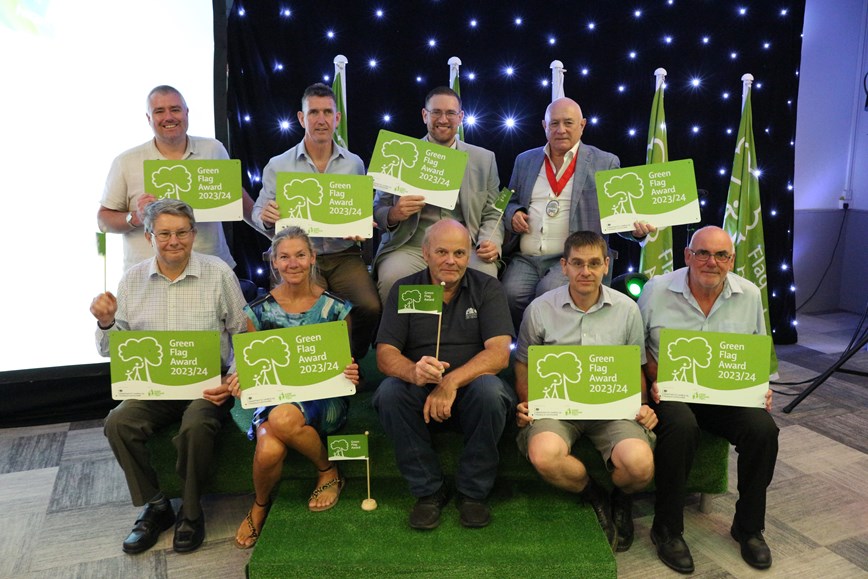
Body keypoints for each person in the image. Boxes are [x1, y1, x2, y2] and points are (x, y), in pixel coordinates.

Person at [89, 199, 248, 554]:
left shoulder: (219, 272)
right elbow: (110, 350)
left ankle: (191, 514)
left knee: (195, 425)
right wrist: (106, 323)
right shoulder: (131, 281)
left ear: (194, 234)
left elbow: (243, 333)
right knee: (118, 422)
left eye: (181, 232)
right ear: (149, 236)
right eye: (164, 233)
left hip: (208, 386)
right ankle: (157, 506)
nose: (173, 240)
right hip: (154, 388)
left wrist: (232, 377)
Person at [638, 225, 778, 573]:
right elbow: (635, 349)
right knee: (682, 427)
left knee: (763, 429)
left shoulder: (748, 294)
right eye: (703, 253)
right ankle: (667, 529)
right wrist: (654, 377)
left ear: (731, 260)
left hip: (726, 396)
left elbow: (754, 353)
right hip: (669, 390)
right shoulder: (656, 291)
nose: (711, 262)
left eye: (721, 255)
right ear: (688, 255)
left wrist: (760, 386)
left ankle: (748, 528)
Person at [514, 231, 657, 552]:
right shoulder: (539, 309)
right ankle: (594, 494)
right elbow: (523, 364)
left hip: (613, 411)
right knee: (544, 454)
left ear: (606, 265)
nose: (585, 271)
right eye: (577, 263)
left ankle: (622, 498)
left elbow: (634, 366)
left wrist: (644, 405)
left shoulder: (626, 309)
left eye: (594, 263)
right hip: (556, 409)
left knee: (640, 466)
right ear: (563, 266)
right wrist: (526, 403)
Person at [373, 219, 516, 529]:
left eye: (460, 253)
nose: (451, 261)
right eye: (441, 252)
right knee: (389, 392)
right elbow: (385, 355)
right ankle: (429, 491)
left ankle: (472, 493)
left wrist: (451, 381)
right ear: (425, 253)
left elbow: (500, 353)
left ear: (469, 256)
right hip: (418, 392)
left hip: (471, 392)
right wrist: (413, 371)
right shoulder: (405, 289)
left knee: (491, 391)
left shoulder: (488, 287)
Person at [226, 226, 360, 549]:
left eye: (300, 255)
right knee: (270, 445)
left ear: (312, 258)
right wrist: (242, 379)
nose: (293, 263)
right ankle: (261, 504)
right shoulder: (257, 312)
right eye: (284, 257)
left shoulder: (337, 309)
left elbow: (345, 363)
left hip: (324, 399)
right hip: (276, 397)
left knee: (284, 419)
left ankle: (327, 470)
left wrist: (352, 370)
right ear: (274, 262)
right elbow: (254, 368)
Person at [252, 83, 381, 363]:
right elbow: (259, 211)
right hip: (301, 257)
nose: (320, 120)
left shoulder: (355, 164)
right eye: (313, 113)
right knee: (317, 312)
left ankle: (351, 360)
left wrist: (362, 226)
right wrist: (265, 216)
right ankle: (318, 367)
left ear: (337, 118)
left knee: (370, 306)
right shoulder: (278, 164)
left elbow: (361, 209)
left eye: (327, 112)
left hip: (344, 255)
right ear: (301, 118)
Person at [501, 97, 655, 330]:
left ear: (582, 125)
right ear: (544, 126)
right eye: (554, 124)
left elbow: (618, 214)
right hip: (527, 256)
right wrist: (513, 213)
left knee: (550, 294)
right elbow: (506, 200)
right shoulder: (524, 160)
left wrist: (635, 231)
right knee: (508, 295)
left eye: (568, 123)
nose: (560, 130)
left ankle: (552, 355)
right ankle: (527, 350)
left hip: (574, 258)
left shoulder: (605, 162)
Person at [98, 85, 257, 272]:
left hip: (211, 272)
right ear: (149, 118)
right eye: (159, 111)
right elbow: (103, 220)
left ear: (186, 113)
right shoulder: (126, 162)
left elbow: (238, 200)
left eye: (175, 109)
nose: (168, 117)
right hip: (148, 276)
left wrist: (273, 230)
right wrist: (136, 217)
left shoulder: (213, 150)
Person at [373, 86, 504, 304]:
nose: (443, 119)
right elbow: (377, 210)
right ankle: (407, 337)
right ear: (425, 115)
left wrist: (490, 242)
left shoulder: (484, 159)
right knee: (393, 279)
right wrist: (395, 213)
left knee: (485, 277)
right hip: (411, 247)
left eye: (450, 113)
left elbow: (493, 212)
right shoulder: (398, 152)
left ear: (460, 117)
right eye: (436, 112)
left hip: (465, 248)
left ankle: (464, 337)